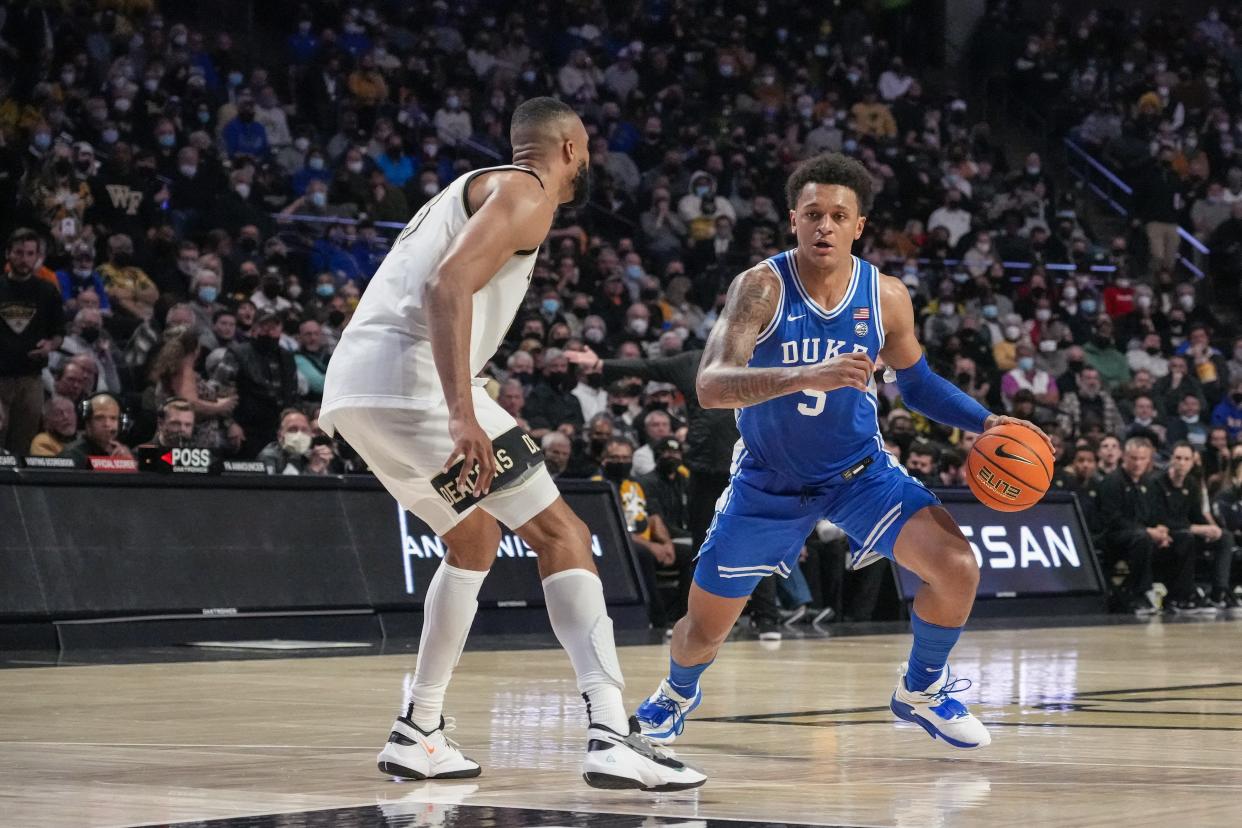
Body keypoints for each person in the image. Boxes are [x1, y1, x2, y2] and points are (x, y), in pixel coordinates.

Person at [317, 97, 703, 791]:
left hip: (356, 395)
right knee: (567, 536)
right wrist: (464, 411)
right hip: (416, 388)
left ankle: (418, 730)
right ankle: (612, 734)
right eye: (584, 151)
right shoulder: (527, 192)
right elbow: (445, 286)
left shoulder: (470, 190)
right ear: (570, 149)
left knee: (472, 541)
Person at [633, 153, 1050, 751]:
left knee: (957, 566)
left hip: (859, 474)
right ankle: (675, 694)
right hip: (768, 481)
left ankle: (922, 689)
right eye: (812, 214)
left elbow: (918, 384)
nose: (823, 226)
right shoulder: (761, 287)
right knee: (703, 629)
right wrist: (807, 374)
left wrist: (986, 421)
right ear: (792, 221)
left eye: (837, 215)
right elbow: (710, 385)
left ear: (859, 225)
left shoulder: (886, 296)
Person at [0, 229, 65, 455]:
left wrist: (50, 345)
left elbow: (59, 333)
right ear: (8, 254)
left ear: (37, 256)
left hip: (31, 380)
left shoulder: (47, 291)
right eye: (19, 252)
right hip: (1, 377)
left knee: (22, 447)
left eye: (30, 253)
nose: (24, 259)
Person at [58, 393, 133, 467]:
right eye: (99, 418)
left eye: (113, 418)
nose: (107, 424)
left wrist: (129, 464)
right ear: (87, 423)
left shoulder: (122, 453)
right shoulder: (72, 456)